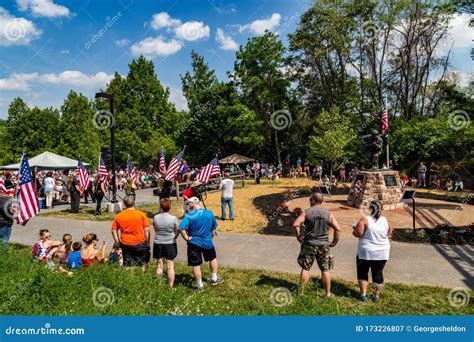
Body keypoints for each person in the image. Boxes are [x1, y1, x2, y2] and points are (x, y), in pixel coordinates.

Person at [292, 193, 341, 297]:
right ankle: (328, 293)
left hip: (309, 244)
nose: (309, 201)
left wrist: (299, 236)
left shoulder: (307, 212)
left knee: (305, 268)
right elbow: (338, 229)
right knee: (325, 269)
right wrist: (334, 242)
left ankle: (301, 293)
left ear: (314, 200)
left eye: (310, 199)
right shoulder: (328, 213)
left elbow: (296, 224)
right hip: (324, 245)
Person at [179, 197, 223, 291]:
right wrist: (211, 235)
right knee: (212, 259)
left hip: (194, 243)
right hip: (207, 241)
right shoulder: (209, 213)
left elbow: (181, 228)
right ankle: (214, 278)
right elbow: (214, 226)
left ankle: (199, 285)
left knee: (196, 264)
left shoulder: (189, 216)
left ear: (192, 204)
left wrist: (186, 238)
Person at [352, 200, 392, 302]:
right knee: (378, 273)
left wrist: (354, 228)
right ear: (381, 209)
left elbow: (358, 234)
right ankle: (375, 296)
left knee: (363, 272)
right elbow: (389, 231)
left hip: (366, 252)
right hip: (382, 251)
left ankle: (363, 295)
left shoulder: (364, 220)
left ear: (370, 209)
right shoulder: (385, 220)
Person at [111, 196, 150, 271]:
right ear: (134, 203)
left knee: (128, 264)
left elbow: (114, 230)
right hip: (139, 242)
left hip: (126, 243)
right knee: (143, 263)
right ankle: (142, 279)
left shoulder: (119, 215)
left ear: (124, 204)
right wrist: (147, 242)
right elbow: (147, 230)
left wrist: (117, 242)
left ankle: (130, 279)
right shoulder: (141, 214)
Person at [153, 198, 179, 287]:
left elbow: (156, 229)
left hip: (158, 242)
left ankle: (159, 285)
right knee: (170, 266)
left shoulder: (156, 217)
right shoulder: (173, 218)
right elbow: (177, 230)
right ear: (170, 206)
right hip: (170, 243)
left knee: (159, 266)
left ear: (161, 206)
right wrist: (175, 236)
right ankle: (170, 287)